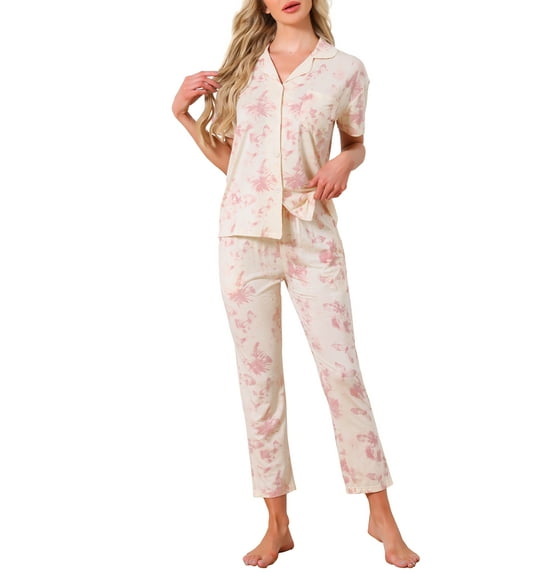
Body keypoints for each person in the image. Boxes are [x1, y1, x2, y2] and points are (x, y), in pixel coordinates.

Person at [172, 0, 420, 568]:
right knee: (259, 382)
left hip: (313, 236)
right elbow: (234, 163)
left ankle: (380, 515)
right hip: (243, 240)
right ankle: (277, 523)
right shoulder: (241, 69)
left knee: (342, 373)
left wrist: (345, 163)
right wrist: (185, 117)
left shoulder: (345, 69)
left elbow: (356, 142)